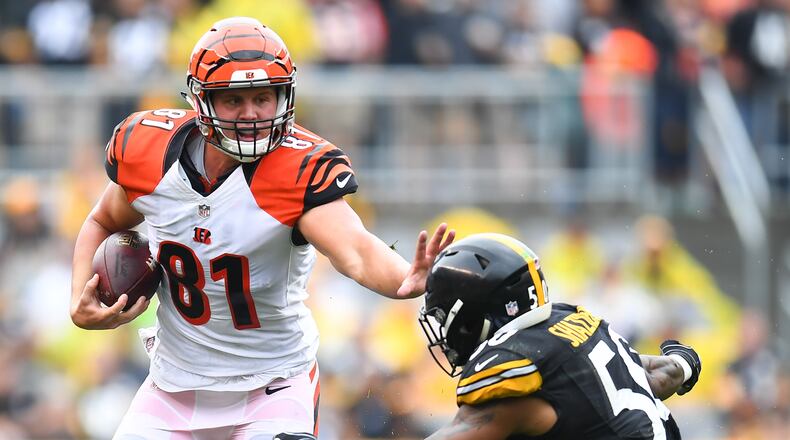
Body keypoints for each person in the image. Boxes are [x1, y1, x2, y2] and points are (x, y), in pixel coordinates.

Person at [69, 17, 455, 439]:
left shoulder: (296, 172)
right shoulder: (149, 154)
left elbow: (356, 251)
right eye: (234, 100)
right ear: (202, 103)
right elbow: (102, 220)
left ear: (283, 97)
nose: (251, 114)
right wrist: (79, 298)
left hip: (272, 386)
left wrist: (405, 277)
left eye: (263, 97)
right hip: (172, 386)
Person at [418, 233, 702, 440]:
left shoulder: (516, 377)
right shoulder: (575, 327)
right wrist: (686, 361)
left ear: (472, 317)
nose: (445, 333)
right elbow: (662, 373)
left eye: (445, 318)